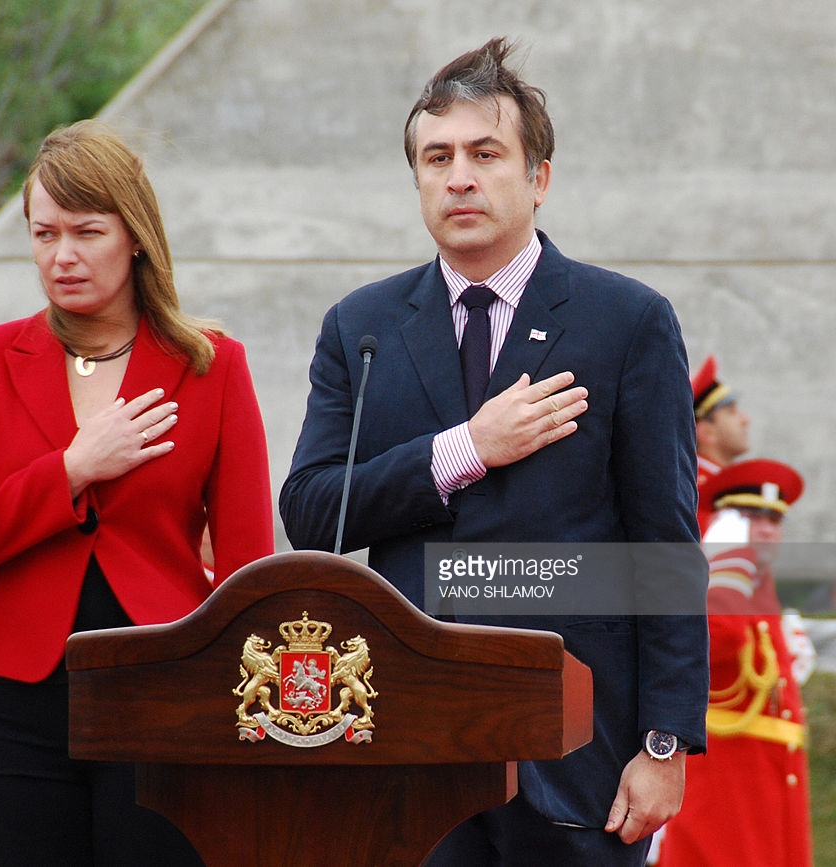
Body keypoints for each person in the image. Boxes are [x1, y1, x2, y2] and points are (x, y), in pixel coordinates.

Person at [280, 38, 708, 865]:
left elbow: (665, 544)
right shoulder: (362, 327)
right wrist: (463, 448)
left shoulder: (626, 321)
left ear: (538, 177)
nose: (459, 177)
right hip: (411, 742)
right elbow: (311, 511)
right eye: (435, 158)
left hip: (576, 747)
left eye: (485, 153)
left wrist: (664, 745)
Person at [0, 120, 274, 866]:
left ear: (135, 235)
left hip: (164, 693)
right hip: (16, 707)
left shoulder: (213, 365)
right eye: (44, 234)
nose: (63, 255)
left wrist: (246, 719)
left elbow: (247, 567)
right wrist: (71, 470)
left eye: (87, 231)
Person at [658, 458, 812, 866]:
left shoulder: (762, 591)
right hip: (725, 783)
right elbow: (713, 642)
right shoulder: (718, 583)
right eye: (750, 516)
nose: (765, 529)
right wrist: (723, 568)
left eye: (774, 521)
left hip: (773, 779)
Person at [691, 354, 750, 485]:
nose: (746, 420)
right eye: (732, 412)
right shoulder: (701, 488)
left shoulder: (723, 483)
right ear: (706, 432)